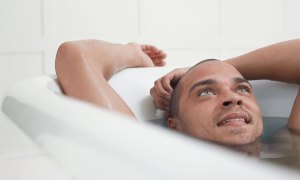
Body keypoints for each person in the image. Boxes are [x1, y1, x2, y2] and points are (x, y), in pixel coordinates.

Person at [55, 39, 300, 146]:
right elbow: (74, 56)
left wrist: (203, 67)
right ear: (174, 125)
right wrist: (132, 53)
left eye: (242, 88)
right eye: (205, 92)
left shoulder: (294, 145)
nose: (233, 98)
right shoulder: (144, 154)